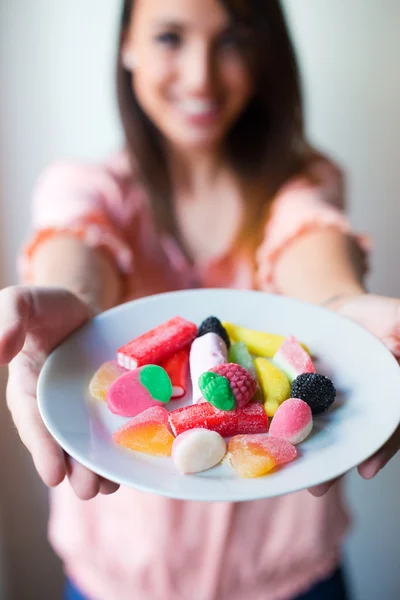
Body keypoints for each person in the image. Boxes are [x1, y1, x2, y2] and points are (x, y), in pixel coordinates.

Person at [1, 1, 399, 599]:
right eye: (169, 37)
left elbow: (310, 245)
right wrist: (71, 307)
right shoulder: (88, 187)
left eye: (232, 40)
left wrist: (341, 305)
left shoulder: (304, 179)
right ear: (126, 47)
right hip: (118, 580)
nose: (200, 76)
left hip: (289, 576)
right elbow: (82, 261)